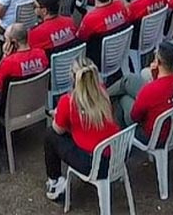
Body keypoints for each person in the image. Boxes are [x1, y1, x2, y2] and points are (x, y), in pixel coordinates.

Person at [43, 58, 121, 201]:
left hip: (95, 165)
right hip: (117, 156)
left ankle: (55, 182)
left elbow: (57, 130)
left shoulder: (68, 102)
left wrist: (58, 114)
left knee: (49, 135)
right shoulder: (103, 92)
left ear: (73, 77)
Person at [119, 40, 173, 143]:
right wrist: (155, 77)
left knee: (124, 99)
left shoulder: (150, 90)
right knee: (130, 80)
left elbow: (134, 117)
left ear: (158, 62)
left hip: (151, 137)